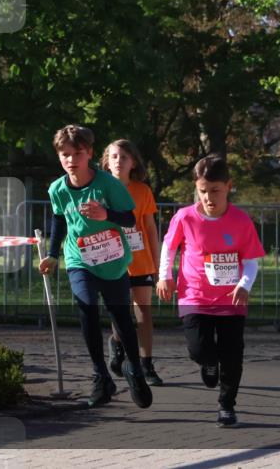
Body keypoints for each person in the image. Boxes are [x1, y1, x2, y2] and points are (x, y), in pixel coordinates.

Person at [38, 125, 153, 409]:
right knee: (86, 308)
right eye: (65, 154)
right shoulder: (57, 189)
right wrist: (53, 254)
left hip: (113, 260)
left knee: (122, 320)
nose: (71, 160)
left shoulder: (107, 184)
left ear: (89, 153)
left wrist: (106, 214)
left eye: (77, 153)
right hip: (79, 259)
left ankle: (135, 370)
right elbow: (60, 220)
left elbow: (128, 219)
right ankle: (101, 376)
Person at [156, 154, 265, 427]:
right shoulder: (185, 217)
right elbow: (169, 248)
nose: (208, 197)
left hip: (231, 298)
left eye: (215, 190)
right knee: (198, 349)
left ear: (229, 186)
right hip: (195, 294)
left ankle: (226, 405)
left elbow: (251, 261)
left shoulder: (241, 221)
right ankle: (208, 363)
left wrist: (244, 284)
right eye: (202, 191)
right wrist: (164, 276)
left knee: (233, 354)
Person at [100, 139, 164, 386]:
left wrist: (158, 266)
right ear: (106, 161)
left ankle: (147, 363)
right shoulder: (100, 190)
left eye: (124, 157)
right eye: (114, 156)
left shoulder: (142, 191)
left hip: (140, 259)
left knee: (144, 312)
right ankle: (117, 343)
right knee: (120, 311)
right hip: (112, 261)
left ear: (133, 162)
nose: (119, 161)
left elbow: (149, 228)